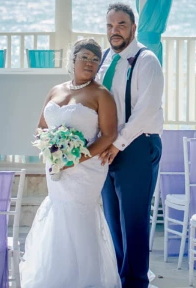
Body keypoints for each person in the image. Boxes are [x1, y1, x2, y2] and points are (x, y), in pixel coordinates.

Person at [20, 38, 121, 288]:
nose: (90, 63)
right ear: (73, 59)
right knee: (57, 211)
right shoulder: (56, 90)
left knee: (78, 215)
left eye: (95, 60)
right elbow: (41, 126)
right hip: (56, 165)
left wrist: (74, 157)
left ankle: (84, 280)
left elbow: (109, 135)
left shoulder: (101, 94)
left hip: (86, 168)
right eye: (85, 57)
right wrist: (48, 146)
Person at [97, 3, 164, 288]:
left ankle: (136, 282)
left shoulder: (147, 61)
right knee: (114, 220)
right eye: (110, 26)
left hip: (137, 145)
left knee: (134, 220)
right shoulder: (104, 59)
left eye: (121, 25)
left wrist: (118, 144)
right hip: (109, 148)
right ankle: (121, 280)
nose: (115, 31)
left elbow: (145, 111)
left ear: (133, 28)